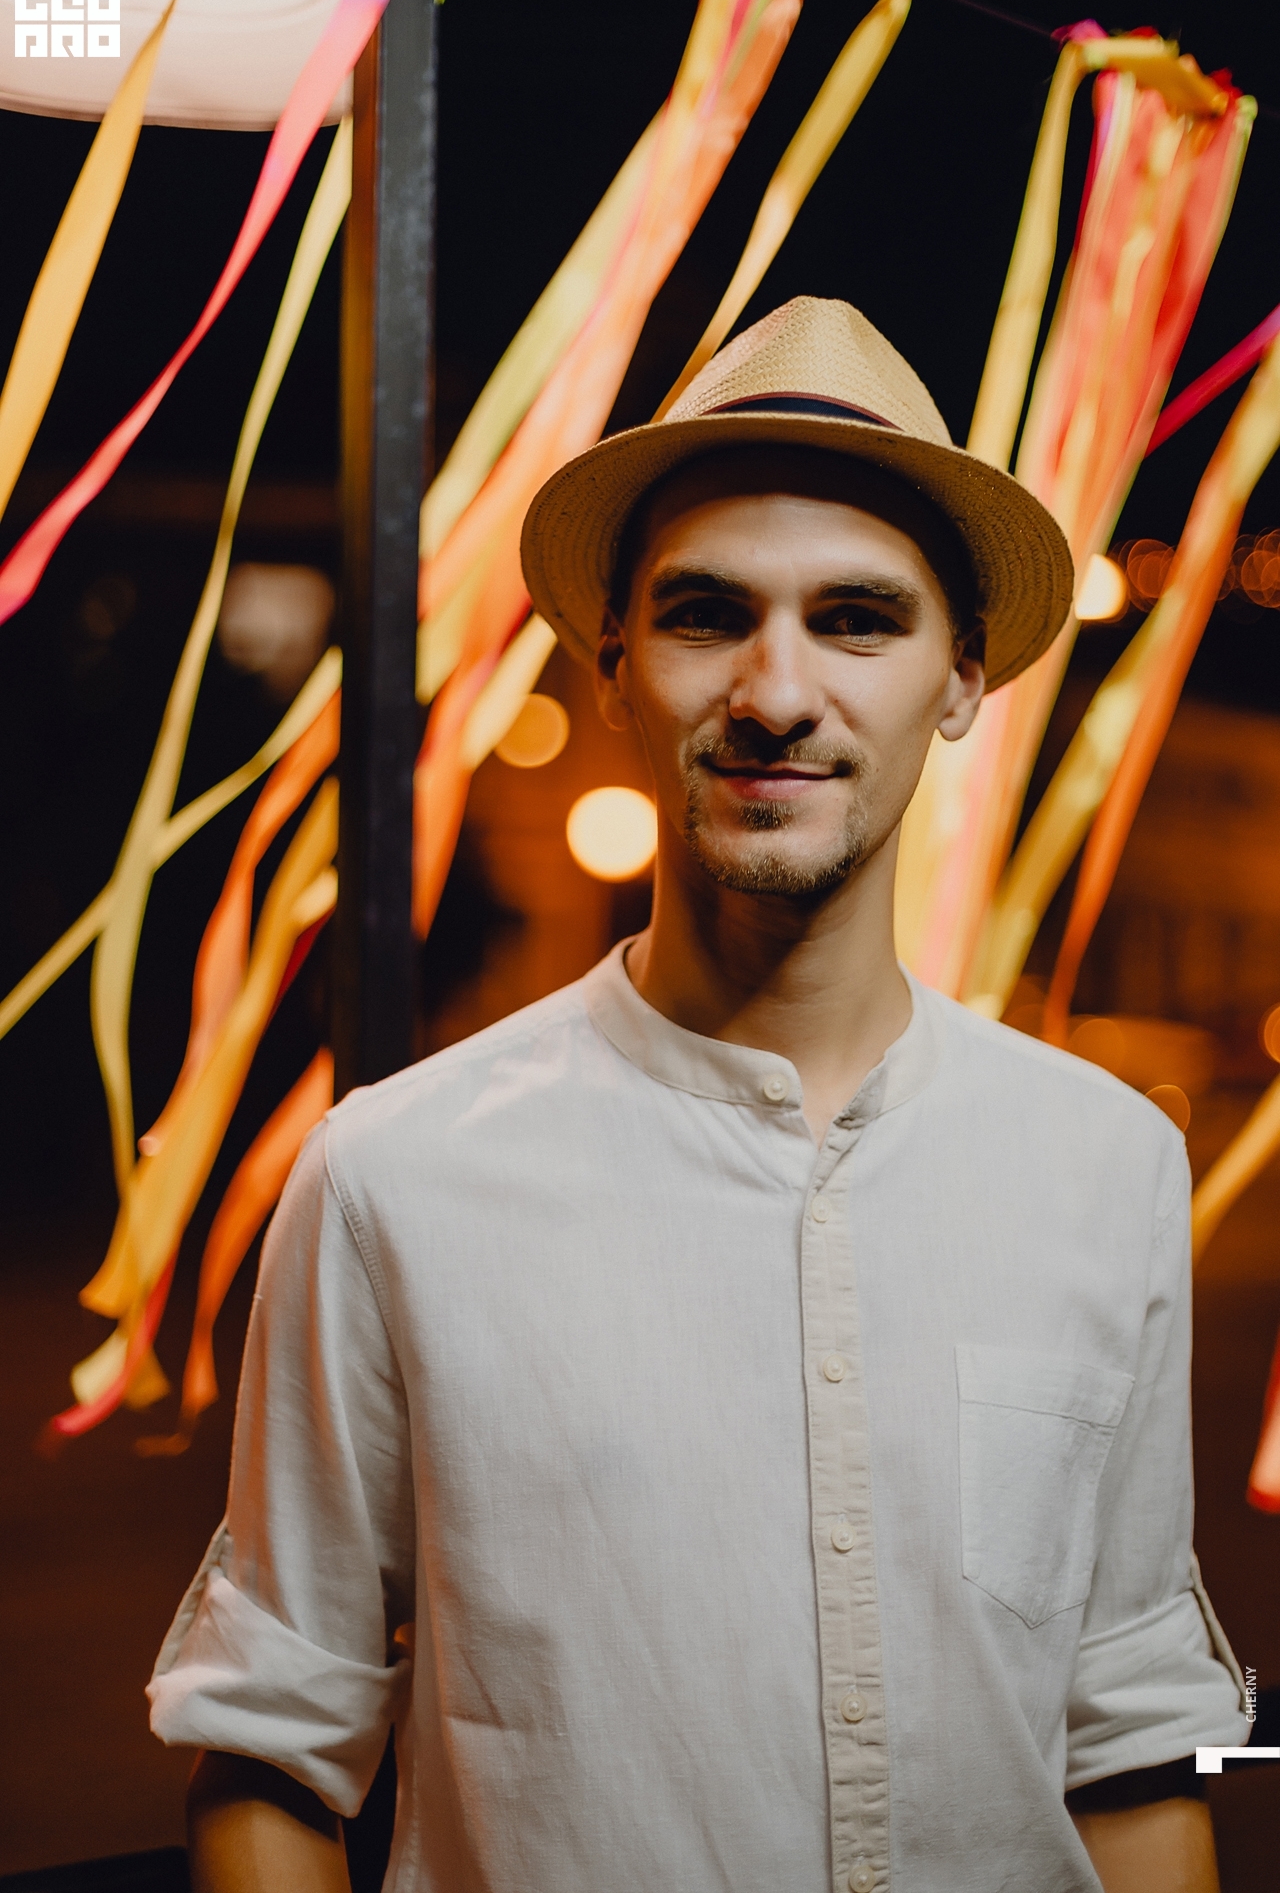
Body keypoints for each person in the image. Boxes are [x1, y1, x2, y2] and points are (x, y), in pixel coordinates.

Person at [151, 298, 1248, 1893]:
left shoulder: (1109, 1166)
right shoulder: (393, 1181)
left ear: (962, 678)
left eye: (858, 619)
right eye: (707, 614)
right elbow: (269, 1744)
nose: (776, 692)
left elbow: (1134, 1730)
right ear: (616, 669)